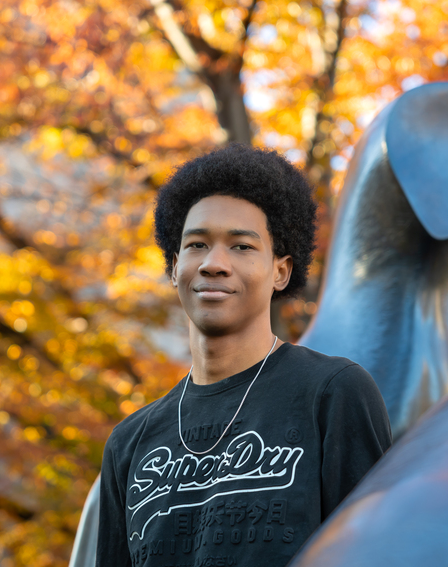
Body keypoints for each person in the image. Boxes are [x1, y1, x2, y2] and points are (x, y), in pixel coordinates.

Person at [96, 144, 392, 567]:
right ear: (175, 264)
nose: (214, 263)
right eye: (197, 245)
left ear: (280, 271)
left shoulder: (331, 393)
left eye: (241, 247)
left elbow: (374, 554)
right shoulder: (129, 444)